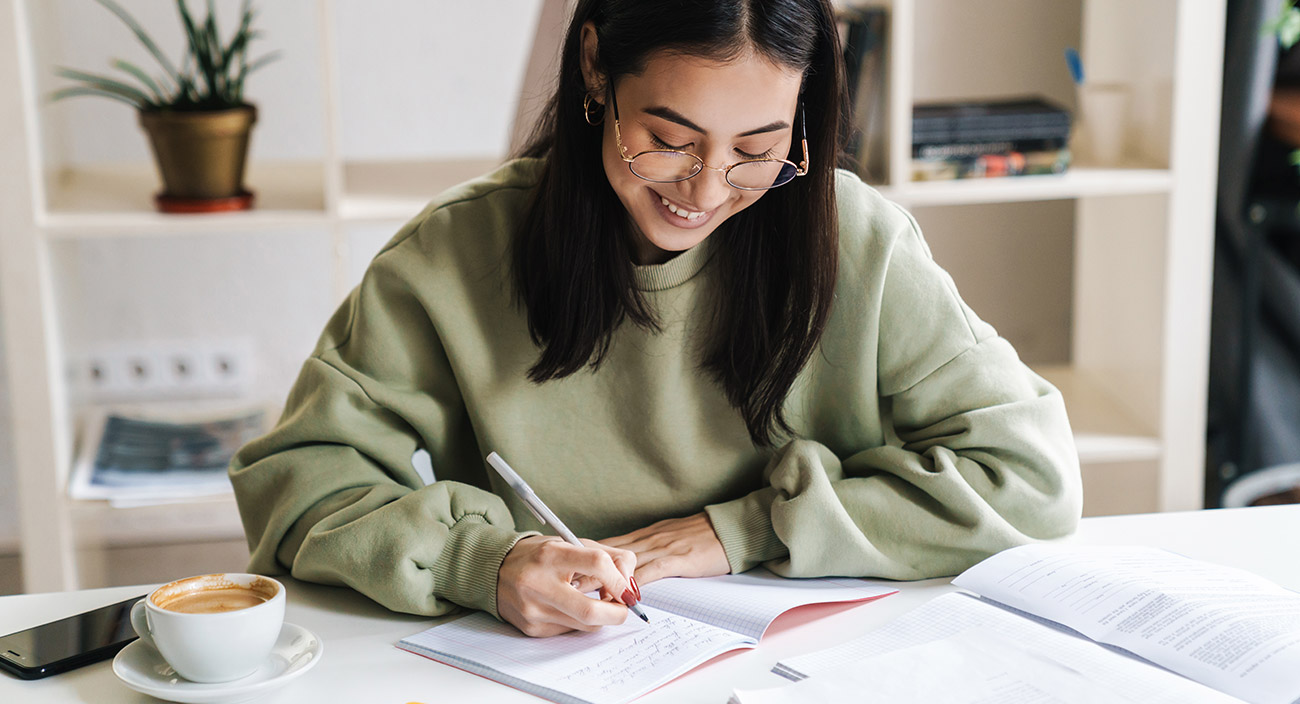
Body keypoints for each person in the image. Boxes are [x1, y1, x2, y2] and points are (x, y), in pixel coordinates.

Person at [229, 0, 1082, 638]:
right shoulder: (457, 251)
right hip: (548, 666)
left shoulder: (859, 242)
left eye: (757, 149)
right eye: (669, 139)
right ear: (597, 68)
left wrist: (739, 530)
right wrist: (479, 562)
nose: (706, 192)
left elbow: (1032, 475)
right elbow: (297, 483)